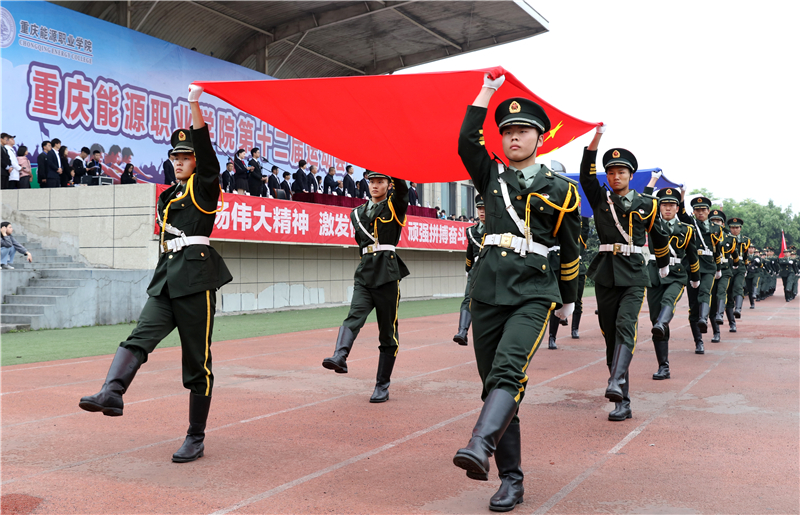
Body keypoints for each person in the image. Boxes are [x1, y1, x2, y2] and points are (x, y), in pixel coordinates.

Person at [78, 85, 232, 464]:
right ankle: (112, 391)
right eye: (175, 157)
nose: (179, 161)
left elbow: (208, 155)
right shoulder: (167, 196)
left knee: (198, 361)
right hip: (166, 279)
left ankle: (195, 436)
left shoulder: (204, 188)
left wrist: (194, 105)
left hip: (196, 281)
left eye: (186, 156)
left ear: (196, 162)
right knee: (138, 337)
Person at [452, 73, 581, 513]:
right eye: (506, 132)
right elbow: (467, 141)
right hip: (488, 290)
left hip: (533, 291)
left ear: (539, 138)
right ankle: (514, 480)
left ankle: (480, 446)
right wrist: (486, 92)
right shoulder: (491, 174)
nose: (512, 138)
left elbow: (570, 246)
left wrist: (567, 297)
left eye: (521, 131)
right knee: (493, 385)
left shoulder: (562, 190)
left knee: (509, 373)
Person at [580, 125, 670, 423]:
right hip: (606, 273)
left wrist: (664, 262)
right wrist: (595, 142)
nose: (615, 176)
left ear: (631, 176)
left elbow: (658, 237)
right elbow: (585, 176)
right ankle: (623, 400)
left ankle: (616, 383)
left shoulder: (648, 204)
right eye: (611, 172)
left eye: (621, 172)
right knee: (610, 337)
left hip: (633, 273)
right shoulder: (599, 199)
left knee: (625, 327)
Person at [322, 171, 410, 403]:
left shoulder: (395, 206)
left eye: (380, 181)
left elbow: (402, 191)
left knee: (387, 332)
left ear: (389, 185)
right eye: (372, 181)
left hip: (387, 274)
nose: (375, 185)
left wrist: (396, 166)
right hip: (364, 272)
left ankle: (382, 385)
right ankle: (340, 355)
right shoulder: (357, 213)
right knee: (354, 316)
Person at [645, 187, 700, 380]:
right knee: (654, 320)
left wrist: (695, 277)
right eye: (664, 205)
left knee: (669, 301)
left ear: (677, 208)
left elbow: (693, 255)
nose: (667, 208)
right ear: (659, 207)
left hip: (676, 274)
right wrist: (651, 183)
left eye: (671, 205)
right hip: (654, 274)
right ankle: (664, 366)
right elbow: (644, 201)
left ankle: (662, 323)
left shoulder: (687, 229)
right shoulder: (651, 224)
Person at [677, 194, 723, 354]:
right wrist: (681, 196)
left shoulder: (716, 229)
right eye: (697, 210)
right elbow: (681, 214)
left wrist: (718, 268)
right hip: (692, 267)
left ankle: (704, 319)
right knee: (693, 307)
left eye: (703, 209)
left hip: (709, 266)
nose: (700, 212)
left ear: (709, 211)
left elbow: (717, 250)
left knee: (705, 292)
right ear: (694, 212)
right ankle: (699, 341)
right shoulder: (690, 224)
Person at [453, 194, 486, 346]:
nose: (482, 211)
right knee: (468, 299)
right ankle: (462, 331)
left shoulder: (498, 229)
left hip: (495, 269)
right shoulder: (471, 231)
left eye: (485, 208)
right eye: (479, 208)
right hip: (476, 270)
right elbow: (469, 252)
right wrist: (468, 269)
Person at [707, 209, 738, 342]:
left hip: (725, 270)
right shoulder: (704, 237)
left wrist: (736, 264)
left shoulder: (729, 238)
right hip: (710, 271)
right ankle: (716, 332)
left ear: (723, 224)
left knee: (721, 292)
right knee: (711, 301)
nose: (715, 223)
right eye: (713, 221)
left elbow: (735, 254)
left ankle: (720, 315)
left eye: (718, 221)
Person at [726, 218, 749, 323]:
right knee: (728, 294)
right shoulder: (726, 239)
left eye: (737, 227)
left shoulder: (745, 240)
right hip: (728, 266)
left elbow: (745, 255)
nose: (734, 230)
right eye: (732, 227)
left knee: (738, 287)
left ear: (740, 228)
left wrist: (746, 267)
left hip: (740, 266)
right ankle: (732, 322)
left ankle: (738, 309)